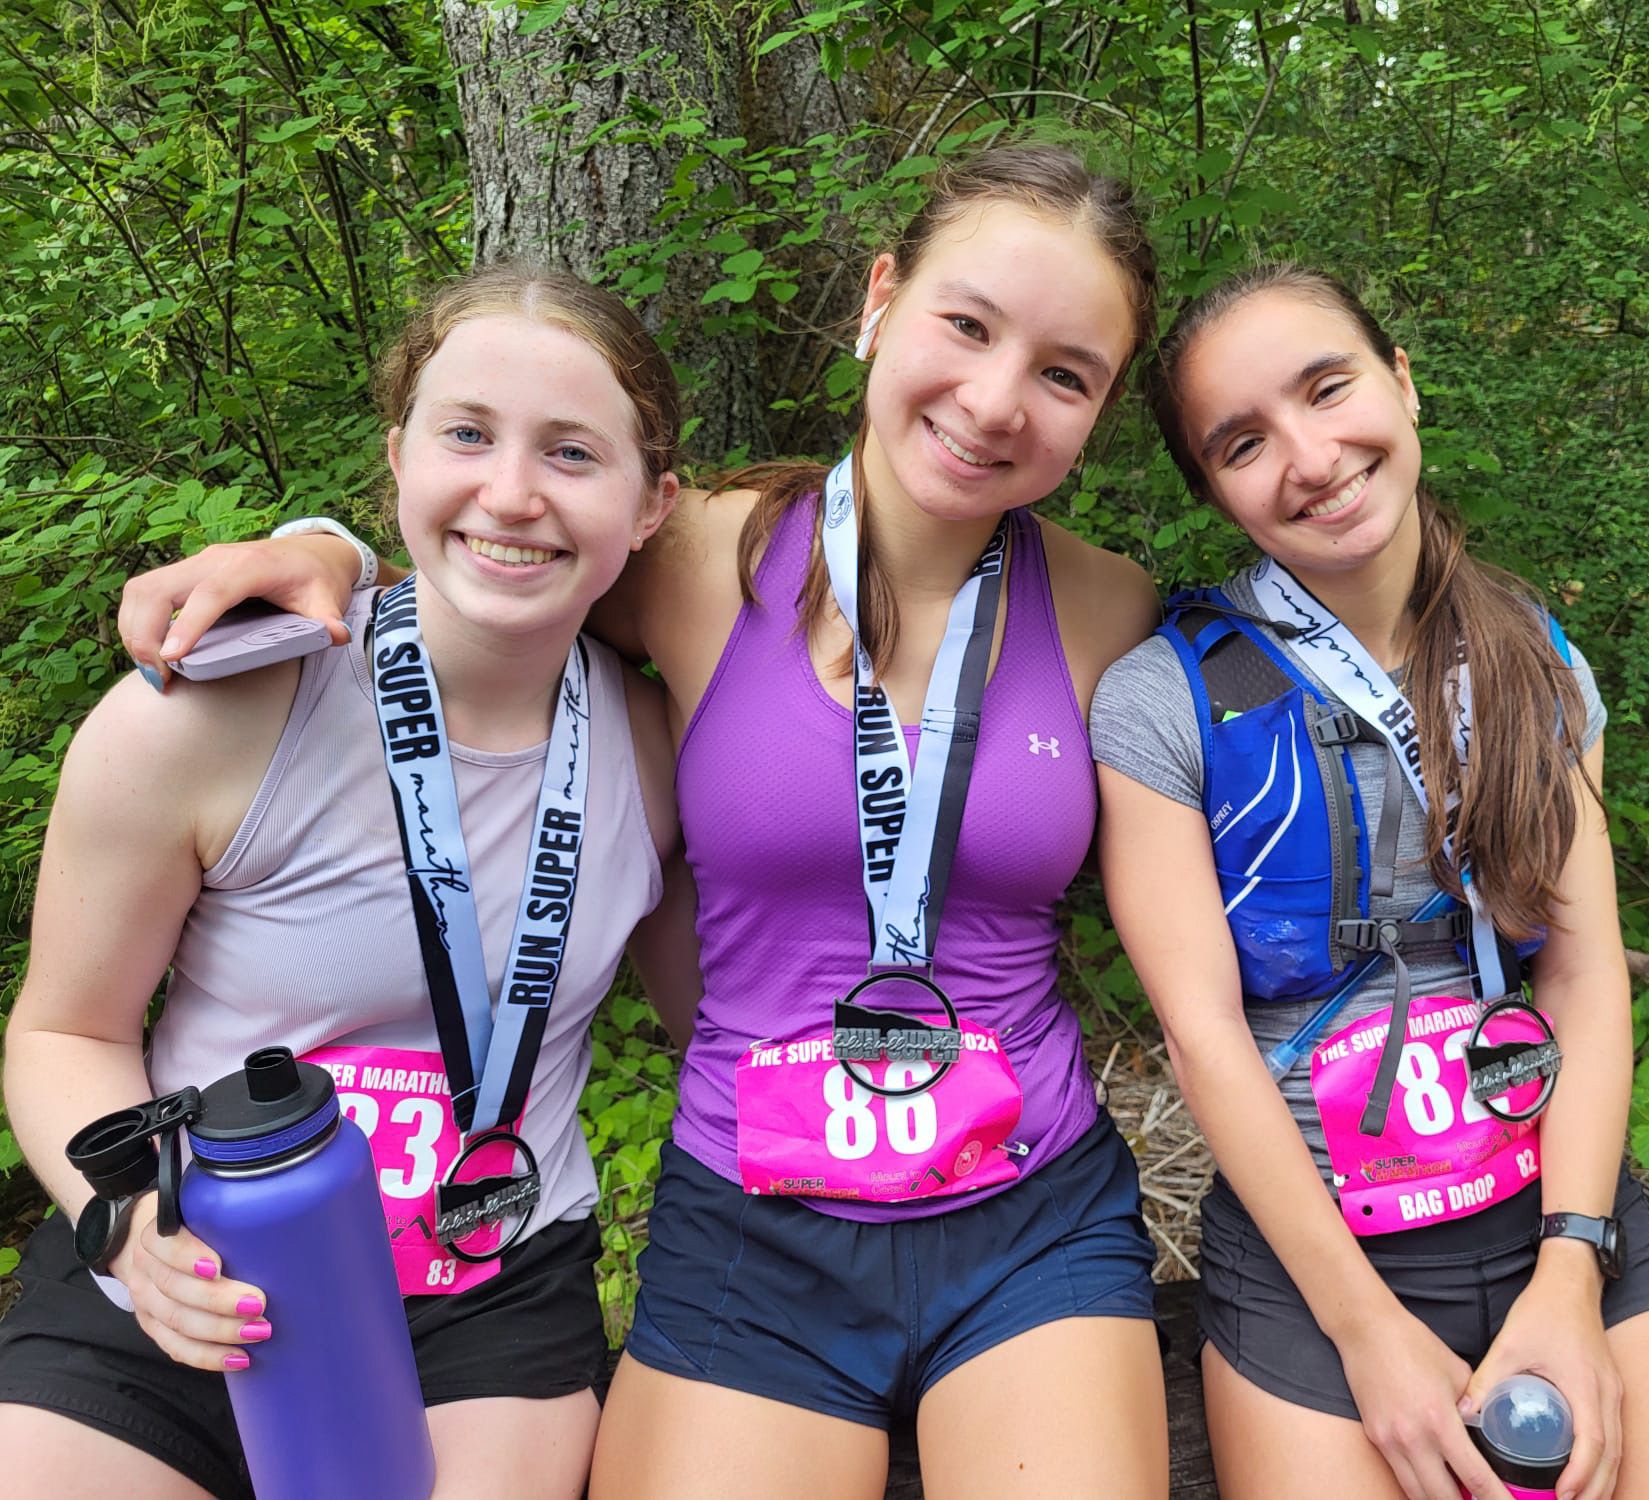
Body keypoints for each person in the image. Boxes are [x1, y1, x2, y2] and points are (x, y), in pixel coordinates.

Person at [114, 144, 1172, 1499]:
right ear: (880, 302)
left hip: (1033, 1206)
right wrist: (325, 550)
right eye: (965, 325)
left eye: (1063, 373)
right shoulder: (697, 557)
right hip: (756, 1213)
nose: (994, 398)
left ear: (1097, 413)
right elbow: (495, 551)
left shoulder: (1111, 609)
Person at [1090, 266, 1649, 1500]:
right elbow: (1201, 1038)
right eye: (1244, 441)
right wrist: (1363, 1332)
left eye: (1327, 388)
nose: (1307, 457)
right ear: (1212, 490)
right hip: (1315, 1263)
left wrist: (1572, 1270)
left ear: (1402, 380)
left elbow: (1577, 973)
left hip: (1548, 1208)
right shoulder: (1163, 700)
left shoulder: (1532, 655)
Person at [0, 265, 692, 1500]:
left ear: (653, 505)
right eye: (466, 434)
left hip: (488, 1277)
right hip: (195, 1257)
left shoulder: (662, 750)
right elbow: (63, 1026)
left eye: (574, 453)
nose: (512, 492)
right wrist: (128, 1226)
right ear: (396, 454)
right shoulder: (208, 713)